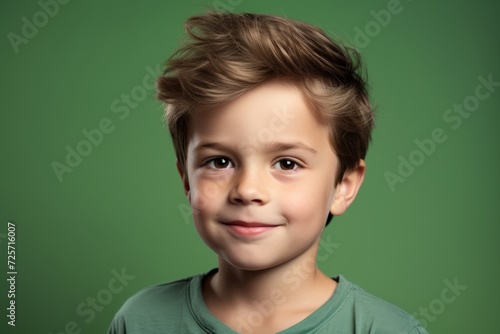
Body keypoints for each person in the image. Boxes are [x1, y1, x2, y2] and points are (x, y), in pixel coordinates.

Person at [108, 11, 428, 334]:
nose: (247, 190)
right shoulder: (140, 322)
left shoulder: (385, 329)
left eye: (287, 163)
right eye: (220, 162)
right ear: (186, 180)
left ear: (343, 186)